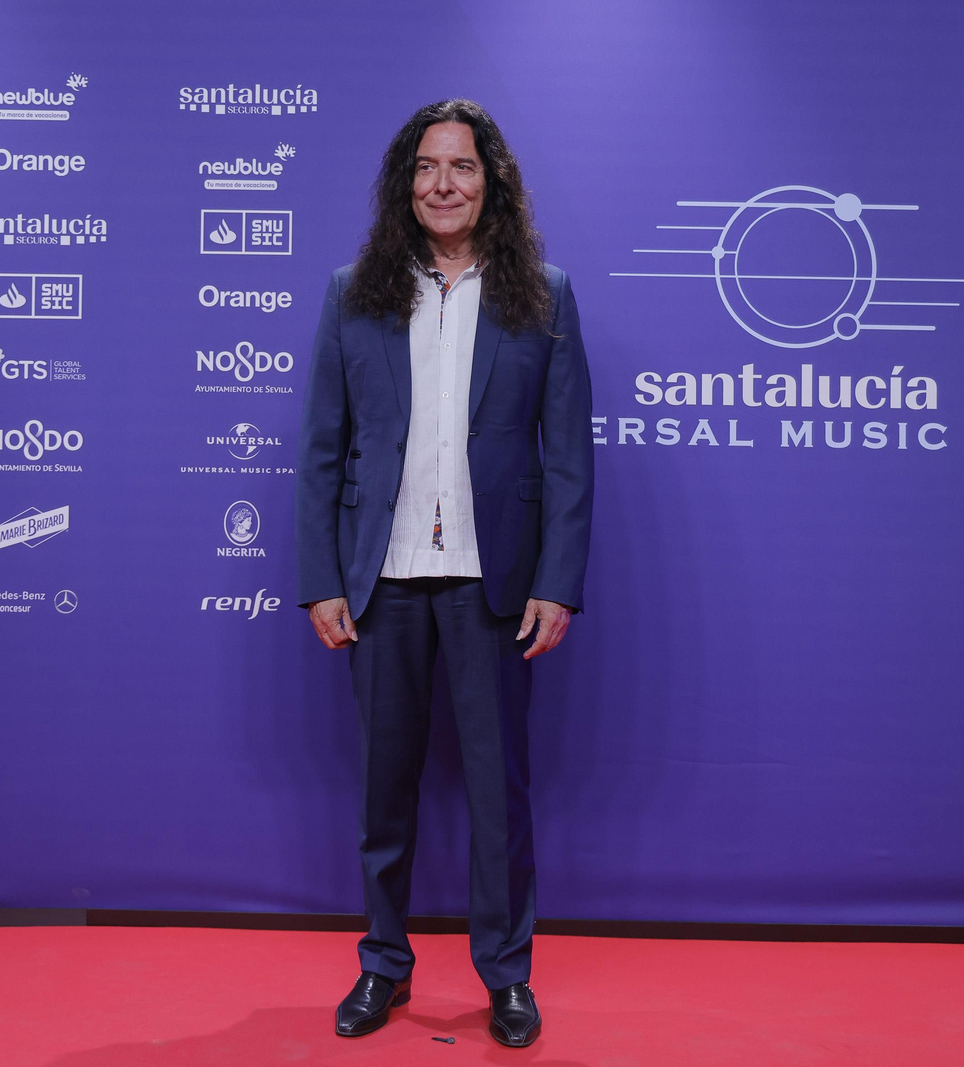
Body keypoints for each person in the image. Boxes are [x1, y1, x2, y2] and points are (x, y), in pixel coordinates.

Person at [295, 98, 593, 1049]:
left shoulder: (541, 294)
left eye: (461, 168)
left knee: (499, 793)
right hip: (381, 579)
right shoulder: (354, 293)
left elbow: (569, 459)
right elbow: (323, 454)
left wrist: (558, 579)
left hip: (491, 582)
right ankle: (383, 964)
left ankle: (506, 977)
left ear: (491, 182)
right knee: (385, 791)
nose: (443, 185)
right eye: (426, 168)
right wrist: (321, 578)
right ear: (404, 184)